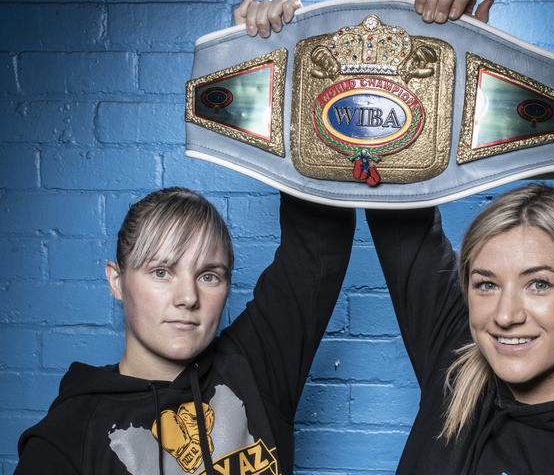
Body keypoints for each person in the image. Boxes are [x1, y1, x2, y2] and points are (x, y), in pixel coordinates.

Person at [15, 186, 354, 475]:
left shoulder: (254, 366)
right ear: (116, 281)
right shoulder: (69, 436)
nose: (189, 297)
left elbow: (319, 240)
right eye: (162, 272)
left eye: (209, 276)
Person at [367, 184, 554, 474]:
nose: (505, 316)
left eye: (539, 284)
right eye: (487, 284)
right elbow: (394, 198)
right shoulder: (457, 365)